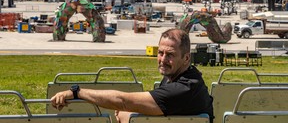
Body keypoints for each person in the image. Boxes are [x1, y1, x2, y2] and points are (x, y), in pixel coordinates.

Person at [51, 28, 214, 123]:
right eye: (160, 53)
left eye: (170, 55)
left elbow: (122, 101)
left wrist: (76, 92)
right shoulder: (181, 77)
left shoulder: (185, 88)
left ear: (186, 58)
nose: (163, 59)